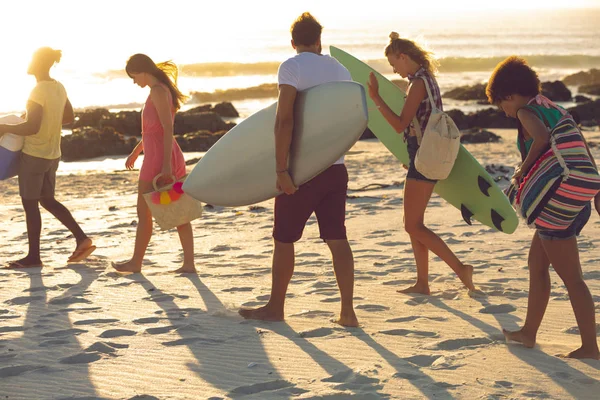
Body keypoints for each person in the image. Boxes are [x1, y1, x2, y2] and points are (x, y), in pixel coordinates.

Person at [238, 12, 358, 327]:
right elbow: (350, 120)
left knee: (284, 239)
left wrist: (281, 169)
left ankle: (276, 307)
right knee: (337, 238)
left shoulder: (292, 67)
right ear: (319, 40)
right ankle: (347, 312)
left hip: (301, 172)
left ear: (293, 43)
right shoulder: (341, 70)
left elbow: (285, 119)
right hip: (335, 168)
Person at [486, 56, 599, 359]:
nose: (505, 112)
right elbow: (582, 147)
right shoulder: (555, 108)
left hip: (556, 204)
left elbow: (542, 138)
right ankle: (528, 333)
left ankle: (590, 347)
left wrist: (522, 169)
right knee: (537, 266)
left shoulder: (526, 111)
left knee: (572, 278)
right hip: (575, 200)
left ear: (509, 95)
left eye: (501, 104)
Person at [367, 33, 475, 295]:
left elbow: (400, 124)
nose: (394, 70)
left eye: (394, 64)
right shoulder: (428, 79)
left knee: (412, 224)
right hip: (425, 153)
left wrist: (375, 97)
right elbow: (421, 123)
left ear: (404, 57)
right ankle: (423, 282)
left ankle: (460, 269)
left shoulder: (417, 84)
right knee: (414, 221)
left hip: (425, 156)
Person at [0, 47, 95, 268]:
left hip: (34, 155)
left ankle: (34, 257)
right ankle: (82, 239)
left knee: (30, 204)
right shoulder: (58, 87)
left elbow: (32, 127)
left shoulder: (38, 90)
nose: (29, 62)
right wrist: (45, 121)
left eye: (32, 59)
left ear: (39, 63)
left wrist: (3, 126)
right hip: (53, 154)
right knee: (47, 200)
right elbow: (69, 117)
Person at [111, 54, 195, 274]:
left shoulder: (158, 91)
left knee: (151, 211)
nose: (134, 81)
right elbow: (153, 131)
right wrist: (136, 151)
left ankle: (137, 263)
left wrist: (166, 165)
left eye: (134, 76)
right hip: (158, 155)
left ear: (143, 71)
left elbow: (167, 129)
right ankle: (188, 264)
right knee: (176, 210)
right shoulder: (158, 90)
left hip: (160, 159)